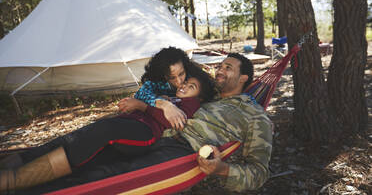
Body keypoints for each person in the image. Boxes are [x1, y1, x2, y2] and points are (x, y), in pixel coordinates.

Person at [3, 53, 273, 194]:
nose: (220, 70)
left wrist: (223, 169)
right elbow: (154, 88)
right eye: (221, 65)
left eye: (228, 68)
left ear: (245, 79)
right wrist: (151, 104)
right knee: (86, 148)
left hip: (180, 153)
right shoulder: (203, 91)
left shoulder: (253, 115)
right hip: (150, 132)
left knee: (104, 177)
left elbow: (259, 172)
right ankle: (15, 173)